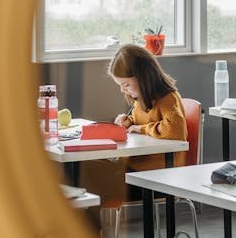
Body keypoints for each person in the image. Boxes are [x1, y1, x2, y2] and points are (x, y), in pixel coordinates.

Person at [80, 44, 188, 208]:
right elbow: (143, 120)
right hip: (133, 168)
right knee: (84, 167)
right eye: (120, 86)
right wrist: (128, 121)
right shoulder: (141, 99)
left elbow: (175, 129)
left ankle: (87, 229)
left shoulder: (168, 98)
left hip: (155, 175)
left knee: (94, 186)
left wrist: (140, 128)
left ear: (143, 77)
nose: (123, 91)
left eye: (126, 84)